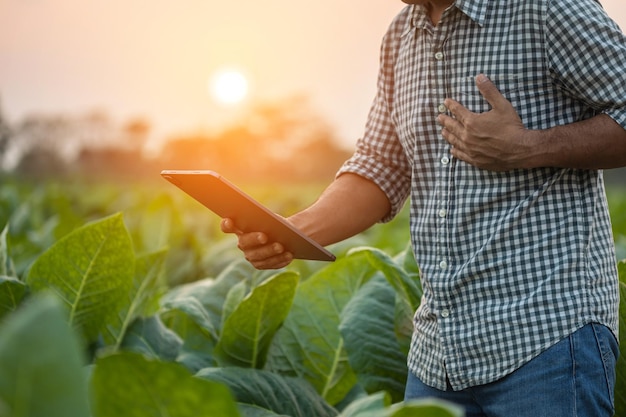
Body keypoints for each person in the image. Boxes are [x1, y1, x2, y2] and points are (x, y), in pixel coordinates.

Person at [222, 0, 626, 415]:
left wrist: (528, 147)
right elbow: (383, 164)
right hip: (439, 357)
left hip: (547, 343)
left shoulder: (545, 9)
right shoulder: (400, 35)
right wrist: (292, 230)